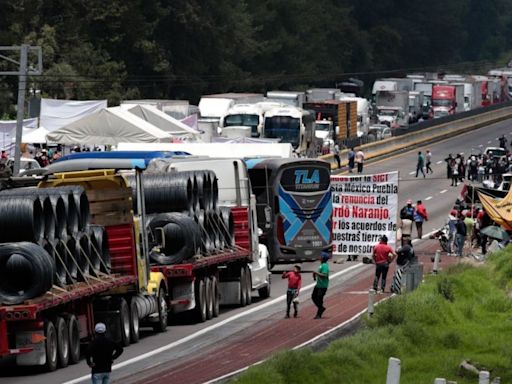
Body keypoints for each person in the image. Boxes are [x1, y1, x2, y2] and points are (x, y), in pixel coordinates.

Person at [312, 252, 330, 319]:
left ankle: (319, 313)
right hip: (318, 285)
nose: (319, 257)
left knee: (319, 299)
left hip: (323, 286)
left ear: (323, 258)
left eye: (321, 256)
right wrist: (314, 275)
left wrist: (316, 272)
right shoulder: (321, 265)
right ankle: (321, 308)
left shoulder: (324, 265)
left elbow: (324, 275)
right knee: (314, 297)